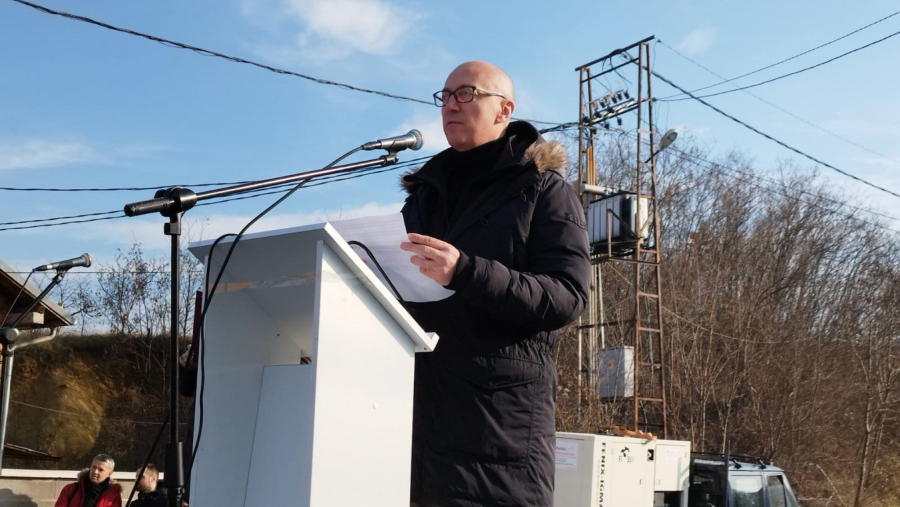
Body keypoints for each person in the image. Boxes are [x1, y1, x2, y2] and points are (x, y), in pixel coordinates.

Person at [400, 61, 591, 506]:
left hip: (498, 434)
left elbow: (567, 296)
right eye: (444, 96)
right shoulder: (422, 198)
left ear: (504, 109)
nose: (450, 104)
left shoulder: (544, 191)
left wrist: (467, 271)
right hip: (414, 425)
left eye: (465, 93)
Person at [55, 454, 122, 507]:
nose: (95, 472)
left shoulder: (113, 495)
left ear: (109, 473)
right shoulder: (70, 489)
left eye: (100, 470)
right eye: (94, 467)